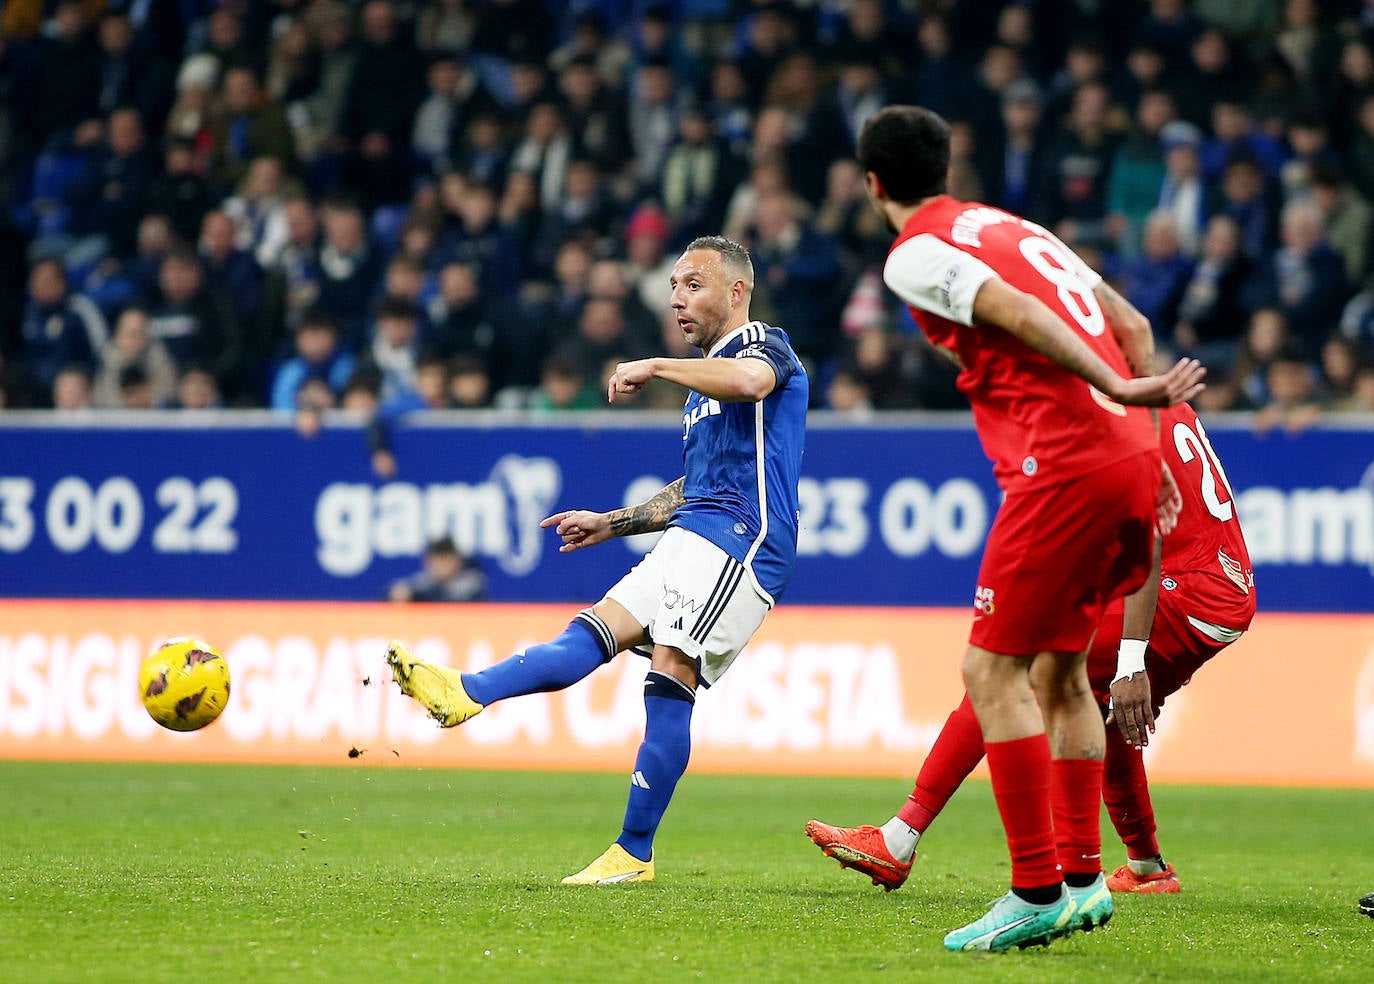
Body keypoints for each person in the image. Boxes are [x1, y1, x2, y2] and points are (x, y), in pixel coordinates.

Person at [850, 106, 1205, 952]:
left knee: (989, 669)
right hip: (1121, 456)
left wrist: (1114, 394)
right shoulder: (1015, 225)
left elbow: (1013, 312)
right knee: (1058, 674)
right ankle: (1084, 882)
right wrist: (1146, 441)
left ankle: (1035, 886)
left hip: (1067, 461)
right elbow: (1135, 328)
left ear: (873, 186)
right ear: (948, 165)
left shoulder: (917, 254)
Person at [384, 236, 808, 884]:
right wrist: (612, 522)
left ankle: (634, 851)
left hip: (744, 541)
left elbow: (751, 382)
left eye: (693, 284)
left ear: (738, 291)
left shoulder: (762, 347)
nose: (676, 298)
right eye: (673, 286)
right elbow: (691, 487)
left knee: (671, 672)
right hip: (695, 532)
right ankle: (467, 693)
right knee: (592, 630)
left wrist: (657, 365)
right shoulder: (702, 392)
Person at [807, 401, 1256, 898]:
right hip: (1218, 586)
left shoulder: (1105, 409)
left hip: (1188, 588)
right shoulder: (1142, 392)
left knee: (1009, 670)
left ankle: (899, 838)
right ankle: (1147, 867)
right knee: (1103, 712)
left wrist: (1131, 660)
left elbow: (1142, 537)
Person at [387, 536, 486, 603]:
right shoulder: (425, 581)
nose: (443, 565)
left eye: (447, 559)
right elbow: (400, 590)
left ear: (458, 560)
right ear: (428, 562)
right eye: (438, 559)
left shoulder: (470, 582)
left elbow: (452, 599)